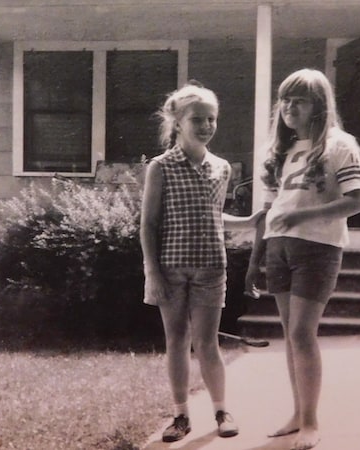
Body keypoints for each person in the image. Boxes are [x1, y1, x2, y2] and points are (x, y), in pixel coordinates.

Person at [246, 68, 360, 450]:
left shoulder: (339, 145)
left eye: (298, 100)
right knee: (289, 335)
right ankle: (298, 413)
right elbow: (269, 212)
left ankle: (312, 423)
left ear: (319, 105)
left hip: (317, 248)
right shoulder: (281, 151)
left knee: (302, 333)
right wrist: (256, 258)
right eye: (284, 100)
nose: (289, 107)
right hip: (279, 247)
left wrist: (302, 216)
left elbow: (356, 200)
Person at [140, 81, 262, 443]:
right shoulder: (161, 168)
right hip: (171, 269)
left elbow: (212, 215)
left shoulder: (221, 168)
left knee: (207, 343)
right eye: (198, 119)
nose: (207, 125)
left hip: (211, 267)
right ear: (178, 122)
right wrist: (152, 271)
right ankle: (180, 416)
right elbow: (149, 223)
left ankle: (222, 410)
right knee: (177, 340)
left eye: (212, 119)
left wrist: (250, 221)